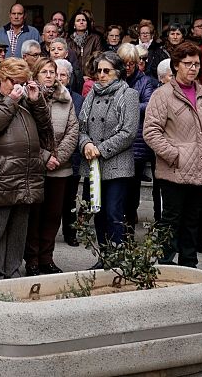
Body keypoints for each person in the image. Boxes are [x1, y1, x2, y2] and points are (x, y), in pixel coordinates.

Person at [143, 41, 202, 267]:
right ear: (176, 65)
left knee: (192, 221)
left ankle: (189, 266)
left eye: (196, 64)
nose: (193, 68)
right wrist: (174, 155)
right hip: (174, 172)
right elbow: (151, 131)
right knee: (171, 220)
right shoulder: (163, 95)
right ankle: (165, 266)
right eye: (187, 63)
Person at [0, 58, 53, 280]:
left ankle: (13, 275)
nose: (19, 86)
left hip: (26, 175)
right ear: (1, 78)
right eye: (14, 81)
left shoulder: (26, 100)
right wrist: (11, 101)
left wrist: (37, 102)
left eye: (23, 82)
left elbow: (46, 129)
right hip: (0, 177)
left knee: (19, 234)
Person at [78, 51, 139, 254]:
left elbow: (129, 132)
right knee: (99, 212)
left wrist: (100, 149)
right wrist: (86, 144)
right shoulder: (91, 94)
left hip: (117, 165)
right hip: (93, 164)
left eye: (107, 71)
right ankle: (104, 257)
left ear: (118, 72)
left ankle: (119, 258)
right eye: (99, 71)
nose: (102, 75)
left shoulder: (128, 94)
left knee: (114, 212)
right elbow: (81, 127)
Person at [24, 58, 79, 275]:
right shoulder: (28, 98)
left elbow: (73, 130)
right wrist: (45, 157)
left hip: (60, 167)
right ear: (36, 75)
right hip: (35, 166)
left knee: (53, 215)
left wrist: (58, 157)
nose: (48, 75)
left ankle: (47, 258)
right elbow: (27, 133)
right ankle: (32, 260)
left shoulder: (65, 98)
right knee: (34, 215)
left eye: (52, 71)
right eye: (44, 71)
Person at [117, 44, 158, 235]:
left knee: (132, 191)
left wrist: (125, 104)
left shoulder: (146, 82)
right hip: (117, 141)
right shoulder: (114, 79)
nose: (127, 67)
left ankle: (129, 230)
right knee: (119, 191)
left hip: (137, 144)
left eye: (131, 63)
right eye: (123, 63)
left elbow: (148, 106)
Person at [55, 58, 84, 246]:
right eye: (55, 74)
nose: (59, 78)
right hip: (49, 156)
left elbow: (78, 127)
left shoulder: (79, 99)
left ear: (69, 77)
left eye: (63, 75)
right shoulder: (42, 96)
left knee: (70, 198)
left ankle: (70, 232)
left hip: (71, 155)